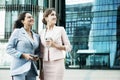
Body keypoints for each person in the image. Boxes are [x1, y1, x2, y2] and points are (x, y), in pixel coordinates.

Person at [6, 12, 43, 80]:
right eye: (29, 17)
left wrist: (36, 56)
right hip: (19, 68)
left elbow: (37, 51)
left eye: (32, 17)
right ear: (23, 21)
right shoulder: (17, 32)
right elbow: (8, 48)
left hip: (31, 69)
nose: (31, 18)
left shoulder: (36, 36)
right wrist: (23, 55)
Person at [39, 8, 72, 80]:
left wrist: (55, 45)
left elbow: (69, 47)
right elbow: (41, 53)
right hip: (46, 64)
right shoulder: (41, 32)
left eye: (55, 15)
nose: (55, 17)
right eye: (52, 15)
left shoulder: (60, 29)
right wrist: (41, 69)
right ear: (46, 18)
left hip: (58, 62)